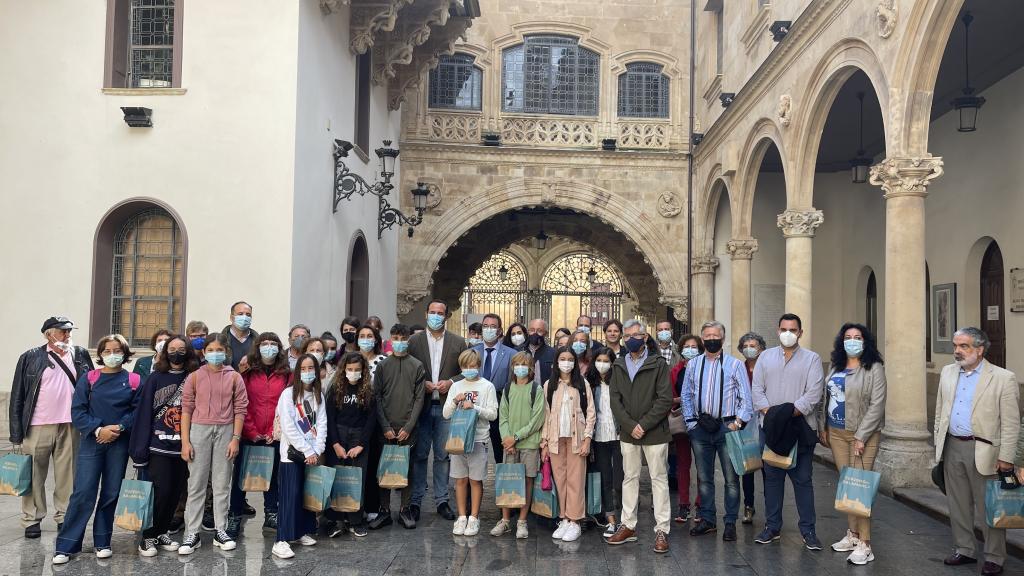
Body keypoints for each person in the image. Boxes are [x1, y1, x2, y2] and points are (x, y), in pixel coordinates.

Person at [934, 327, 1020, 576]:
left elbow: (1011, 422)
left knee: (988, 508)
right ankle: (965, 549)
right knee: (958, 503)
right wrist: (940, 442)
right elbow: (941, 410)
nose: (957, 351)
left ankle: (995, 556)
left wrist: (1007, 457)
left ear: (980, 350)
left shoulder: (1003, 378)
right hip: (952, 446)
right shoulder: (948, 372)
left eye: (964, 346)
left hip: (985, 451)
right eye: (955, 346)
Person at [52, 334, 141, 565]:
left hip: (119, 442)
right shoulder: (89, 379)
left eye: (117, 350)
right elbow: (78, 411)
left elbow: (137, 411)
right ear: (100, 355)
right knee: (83, 491)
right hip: (93, 441)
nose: (112, 355)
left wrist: (119, 427)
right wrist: (98, 429)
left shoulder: (133, 380)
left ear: (125, 353)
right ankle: (66, 545)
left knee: (111, 492)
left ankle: (103, 541)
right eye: (107, 351)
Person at [11, 316, 94, 539]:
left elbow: (92, 386)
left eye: (69, 331)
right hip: (37, 425)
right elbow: (18, 395)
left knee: (68, 474)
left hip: (70, 423)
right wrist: (16, 432)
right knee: (33, 475)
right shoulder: (30, 357)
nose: (67, 335)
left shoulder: (80, 354)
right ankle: (32, 518)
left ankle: (64, 516)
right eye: (62, 331)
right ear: (49, 334)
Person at [751, 313, 824, 551]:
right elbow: (757, 391)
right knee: (772, 480)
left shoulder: (812, 360)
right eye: (784, 329)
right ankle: (772, 527)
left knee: (802, 480)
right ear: (777, 330)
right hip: (770, 430)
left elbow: (813, 395)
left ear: (800, 332)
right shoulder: (765, 357)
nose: (788, 333)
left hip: (800, 429)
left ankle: (808, 530)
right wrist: (772, 415)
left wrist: (782, 414)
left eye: (793, 330)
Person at [817, 323, 886, 565]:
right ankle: (853, 535)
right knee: (847, 485)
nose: (852, 341)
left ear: (865, 341)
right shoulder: (836, 365)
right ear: (841, 341)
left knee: (859, 489)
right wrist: (824, 426)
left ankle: (866, 544)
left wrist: (861, 436)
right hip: (836, 433)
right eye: (848, 337)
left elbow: (877, 405)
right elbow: (827, 397)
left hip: (862, 436)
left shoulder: (874, 368)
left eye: (857, 337)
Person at [606, 320, 673, 554]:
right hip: (628, 432)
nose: (631, 338)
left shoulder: (658, 364)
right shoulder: (618, 364)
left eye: (637, 334)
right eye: (627, 335)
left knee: (658, 479)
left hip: (654, 432)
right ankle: (628, 525)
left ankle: (662, 529)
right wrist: (629, 425)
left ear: (645, 337)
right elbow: (614, 399)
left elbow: (664, 399)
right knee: (629, 478)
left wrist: (642, 425)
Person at [178, 333, 249, 555]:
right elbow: (186, 409)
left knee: (221, 483)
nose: (215, 354)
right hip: (199, 430)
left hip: (226, 431)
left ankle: (221, 530)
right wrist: (185, 442)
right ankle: (192, 533)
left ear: (226, 352)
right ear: (204, 352)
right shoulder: (195, 377)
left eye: (220, 350)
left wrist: (235, 439)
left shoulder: (234, 377)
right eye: (211, 350)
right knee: (196, 484)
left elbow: (240, 409)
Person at [682, 321, 752, 542]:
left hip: (727, 428)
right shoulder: (693, 365)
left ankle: (730, 521)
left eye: (715, 335)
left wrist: (737, 423)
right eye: (707, 335)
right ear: (702, 340)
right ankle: (708, 520)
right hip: (700, 429)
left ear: (722, 338)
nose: (711, 339)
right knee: (704, 478)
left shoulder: (735, 365)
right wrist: (691, 423)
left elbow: (746, 399)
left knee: (731, 479)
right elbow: (686, 395)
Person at [129, 334, 199, 556]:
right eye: (172, 348)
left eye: (181, 348)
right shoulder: (154, 378)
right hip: (158, 446)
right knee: (160, 491)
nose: (176, 352)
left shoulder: (193, 377)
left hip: (184, 446)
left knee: (176, 492)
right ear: (164, 352)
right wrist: (139, 450)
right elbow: (143, 414)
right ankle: (148, 536)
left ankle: (162, 531)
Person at [408, 300, 467, 523]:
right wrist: (420, 382)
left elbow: (467, 371)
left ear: (446, 316)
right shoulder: (414, 341)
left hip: (445, 408)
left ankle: (442, 500)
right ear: (426, 314)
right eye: (432, 312)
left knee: (443, 456)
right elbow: (407, 369)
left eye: (439, 313)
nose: (435, 316)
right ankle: (415, 501)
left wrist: (451, 382)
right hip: (420, 407)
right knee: (420, 454)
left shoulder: (458, 342)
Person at [227, 332, 289, 537]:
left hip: (274, 434)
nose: (269, 347)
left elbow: (286, 405)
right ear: (258, 347)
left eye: (273, 343)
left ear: (279, 348)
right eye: (265, 343)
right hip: (248, 433)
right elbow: (242, 403)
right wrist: (252, 431)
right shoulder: (247, 372)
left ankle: (271, 514)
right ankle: (234, 515)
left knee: (272, 475)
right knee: (242, 475)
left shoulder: (287, 373)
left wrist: (274, 431)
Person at [368, 324, 426, 530]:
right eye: (395, 337)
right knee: (384, 467)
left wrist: (409, 426)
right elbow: (377, 396)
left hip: (408, 427)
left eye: (403, 337)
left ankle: (405, 509)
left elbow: (419, 398)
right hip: (386, 427)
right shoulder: (384, 366)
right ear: (390, 339)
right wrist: (384, 425)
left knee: (407, 468)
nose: (399, 341)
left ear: (409, 339)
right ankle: (384, 510)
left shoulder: (417, 365)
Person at [271, 354, 328, 559]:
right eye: (303, 369)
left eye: (310, 368)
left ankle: (301, 531)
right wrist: (307, 450)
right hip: (293, 454)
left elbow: (322, 423)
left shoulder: (318, 395)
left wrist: (318, 449)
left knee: (306, 494)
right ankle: (281, 540)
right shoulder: (288, 395)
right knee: (291, 495)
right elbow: (288, 426)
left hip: (312, 454)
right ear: (297, 372)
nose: (307, 372)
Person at [540, 346, 596, 543]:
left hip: (576, 440)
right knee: (560, 480)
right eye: (562, 358)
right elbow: (545, 415)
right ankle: (563, 518)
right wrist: (544, 443)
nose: (566, 362)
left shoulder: (582, 384)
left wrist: (587, 439)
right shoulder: (549, 385)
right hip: (556, 440)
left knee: (576, 481)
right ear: (556, 362)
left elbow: (591, 413)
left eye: (570, 359)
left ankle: (575, 521)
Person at [444, 350, 498, 536]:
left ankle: (474, 518)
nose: (469, 369)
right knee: (460, 480)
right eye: (466, 366)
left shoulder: (487, 386)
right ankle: (461, 517)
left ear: (479, 365)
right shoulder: (456, 386)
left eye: (473, 366)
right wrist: (454, 401)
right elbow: (446, 414)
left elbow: (493, 414)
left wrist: (474, 406)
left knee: (476, 480)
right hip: (458, 439)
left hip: (478, 438)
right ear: (461, 367)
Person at [492, 351, 545, 539]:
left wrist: (516, 437)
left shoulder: (536, 389)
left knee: (528, 480)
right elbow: (503, 417)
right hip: (509, 445)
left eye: (524, 364)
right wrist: (507, 439)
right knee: (508, 479)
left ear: (530, 368)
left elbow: (536, 420)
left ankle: (522, 521)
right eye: (517, 364)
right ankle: (505, 520)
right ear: (512, 367)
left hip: (529, 443)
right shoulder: (507, 388)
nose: (520, 367)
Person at [325, 352, 377, 538]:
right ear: (344, 370)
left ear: (363, 371)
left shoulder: (368, 391)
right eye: (350, 369)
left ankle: (355, 520)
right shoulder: (336, 389)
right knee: (337, 477)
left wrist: (361, 445)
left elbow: (371, 419)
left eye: (357, 370)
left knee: (357, 479)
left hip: (359, 437)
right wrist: (336, 444)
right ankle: (336, 520)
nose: (353, 373)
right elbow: (330, 418)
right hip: (338, 435)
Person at [586, 347, 624, 538]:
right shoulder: (589, 383)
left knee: (620, 479)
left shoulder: (620, 381)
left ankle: (625, 517)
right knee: (605, 479)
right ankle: (611, 519)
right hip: (598, 436)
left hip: (618, 435)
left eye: (606, 360)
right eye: (599, 360)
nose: (602, 364)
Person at [472, 313, 516, 464]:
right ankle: (474, 486)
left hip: (500, 408)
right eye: (485, 326)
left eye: (493, 326)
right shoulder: (472, 352)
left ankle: (502, 485)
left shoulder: (511, 354)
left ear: (500, 330)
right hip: (475, 408)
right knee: (474, 452)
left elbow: (513, 383)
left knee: (500, 451)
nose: (489, 329)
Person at [669, 334, 702, 524]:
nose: (690, 349)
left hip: (702, 424)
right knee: (683, 465)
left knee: (702, 466)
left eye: (694, 346)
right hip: (682, 421)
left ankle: (700, 504)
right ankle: (683, 504)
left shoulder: (705, 368)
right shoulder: (675, 370)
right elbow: (670, 395)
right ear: (681, 349)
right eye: (687, 346)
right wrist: (681, 400)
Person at [355, 324, 386, 521]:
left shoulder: (383, 361)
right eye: (362, 336)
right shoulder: (351, 360)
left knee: (373, 462)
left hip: (375, 418)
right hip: (353, 419)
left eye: (370, 336)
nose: (366, 339)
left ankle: (373, 505)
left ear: (376, 339)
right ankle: (353, 505)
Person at [736, 332, 766, 525]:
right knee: (748, 466)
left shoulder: (767, 367)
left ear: (761, 347)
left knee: (768, 467)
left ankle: (771, 507)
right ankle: (748, 505)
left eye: (753, 345)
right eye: (746, 345)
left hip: (765, 419)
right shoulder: (739, 367)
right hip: (745, 421)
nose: (749, 348)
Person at [221, 301, 257, 372]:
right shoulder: (221, 340)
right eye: (240, 314)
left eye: (248, 315)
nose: (244, 317)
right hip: (228, 382)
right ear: (231, 318)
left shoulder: (257, 341)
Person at [527, 319, 557, 385]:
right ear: (528, 331)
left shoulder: (553, 353)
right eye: (532, 330)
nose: (535, 333)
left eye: (539, 331)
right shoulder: (519, 351)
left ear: (546, 333)